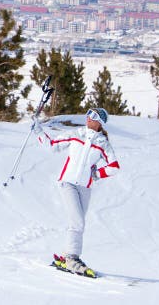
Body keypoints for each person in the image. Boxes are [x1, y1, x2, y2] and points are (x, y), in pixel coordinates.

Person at [36, 107, 120, 276]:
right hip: (67, 183)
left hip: (85, 187)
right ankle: (71, 257)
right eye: (88, 114)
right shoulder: (76, 134)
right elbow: (52, 145)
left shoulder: (103, 143)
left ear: (100, 122)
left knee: (78, 224)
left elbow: (114, 167)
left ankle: (67, 254)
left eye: (94, 116)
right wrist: (37, 130)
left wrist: (96, 174)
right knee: (77, 222)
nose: (89, 118)